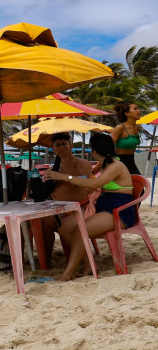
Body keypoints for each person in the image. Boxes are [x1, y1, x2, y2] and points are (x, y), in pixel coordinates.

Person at [43, 133, 134, 281]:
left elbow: (94, 184)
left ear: (94, 151)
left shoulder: (115, 166)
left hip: (119, 210)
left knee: (80, 231)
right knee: (64, 227)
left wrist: (64, 177)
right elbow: (92, 182)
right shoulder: (105, 164)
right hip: (104, 206)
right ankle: (89, 264)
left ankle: (67, 273)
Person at [39, 132, 95, 265]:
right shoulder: (55, 167)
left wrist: (65, 160)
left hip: (76, 208)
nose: (61, 147)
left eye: (64, 144)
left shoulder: (83, 163)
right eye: (57, 145)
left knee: (48, 221)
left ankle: (47, 261)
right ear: (53, 149)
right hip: (55, 207)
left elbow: (79, 183)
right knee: (39, 222)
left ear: (71, 146)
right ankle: (45, 260)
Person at [111, 101, 142, 175]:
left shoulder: (137, 127)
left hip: (131, 161)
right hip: (119, 161)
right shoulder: (120, 128)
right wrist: (99, 165)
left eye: (138, 108)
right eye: (135, 109)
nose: (139, 110)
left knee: (139, 182)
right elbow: (108, 147)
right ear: (127, 113)